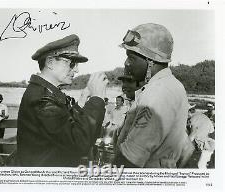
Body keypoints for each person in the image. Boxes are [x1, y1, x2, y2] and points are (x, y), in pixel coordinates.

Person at [17, 34, 108, 167]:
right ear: (50, 63)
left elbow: (64, 125)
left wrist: (83, 100)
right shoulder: (42, 99)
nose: (76, 69)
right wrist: (97, 99)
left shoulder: (44, 92)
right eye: (71, 63)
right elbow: (79, 143)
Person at [113, 23, 190, 168]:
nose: (126, 63)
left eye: (131, 58)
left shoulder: (159, 92)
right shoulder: (167, 85)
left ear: (150, 61)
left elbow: (131, 159)